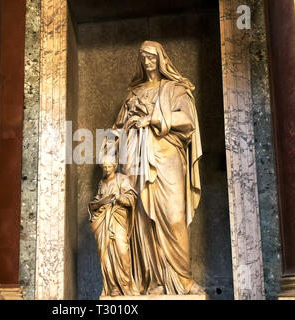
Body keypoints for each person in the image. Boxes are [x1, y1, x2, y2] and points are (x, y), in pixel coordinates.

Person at [110, 40, 204, 295]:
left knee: (174, 217)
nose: (147, 61)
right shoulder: (134, 92)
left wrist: (151, 118)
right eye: (143, 57)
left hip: (167, 157)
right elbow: (117, 129)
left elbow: (187, 120)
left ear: (161, 59)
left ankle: (182, 279)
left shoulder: (176, 89)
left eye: (151, 56)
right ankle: (154, 282)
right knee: (142, 220)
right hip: (136, 161)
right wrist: (113, 144)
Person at [88, 157, 139, 297]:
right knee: (105, 255)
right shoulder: (102, 182)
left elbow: (132, 197)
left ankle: (125, 284)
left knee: (122, 250)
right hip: (103, 221)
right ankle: (112, 286)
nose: (106, 170)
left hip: (118, 218)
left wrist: (120, 198)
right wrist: (97, 204)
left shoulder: (122, 179)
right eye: (104, 167)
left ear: (115, 166)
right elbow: (99, 198)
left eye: (109, 167)